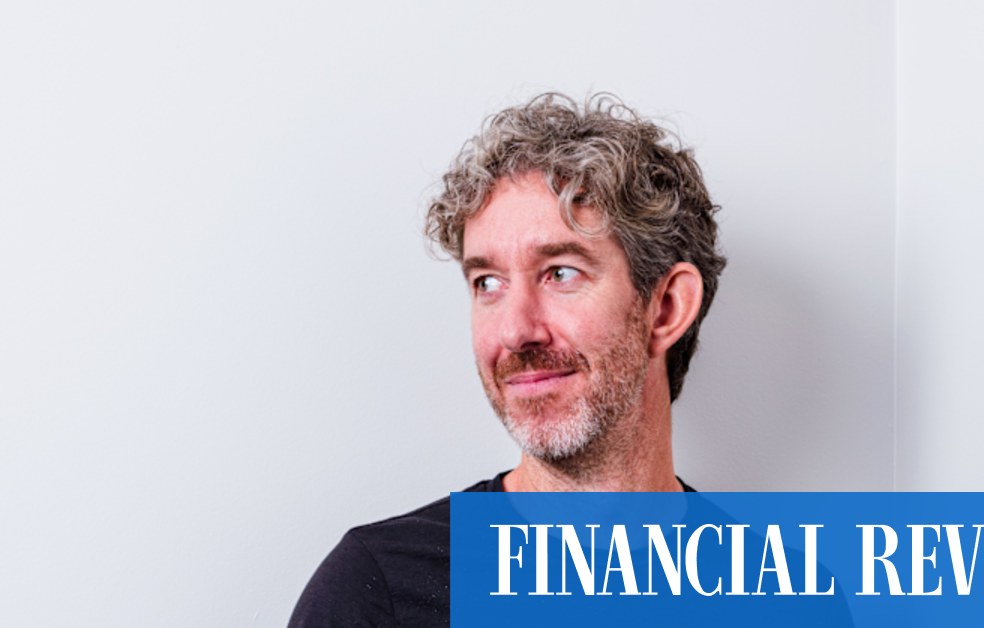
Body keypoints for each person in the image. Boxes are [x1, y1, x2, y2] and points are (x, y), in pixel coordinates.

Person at [288, 92, 727, 627]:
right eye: (488, 283)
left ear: (666, 308)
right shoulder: (380, 592)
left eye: (560, 273)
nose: (516, 332)